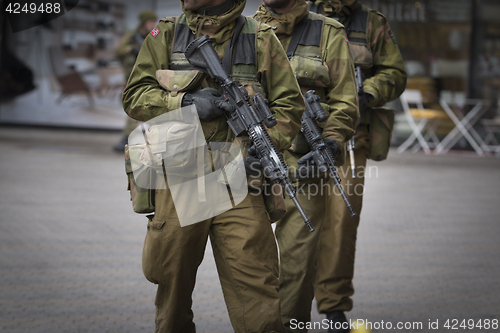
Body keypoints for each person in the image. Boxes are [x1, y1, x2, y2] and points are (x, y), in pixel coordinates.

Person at [122, 0, 306, 332]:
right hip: (178, 176)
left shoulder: (260, 37)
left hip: (239, 179)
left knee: (259, 292)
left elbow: (290, 105)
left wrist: (266, 147)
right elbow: (135, 95)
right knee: (172, 292)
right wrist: (185, 102)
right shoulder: (165, 32)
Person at [253, 1, 358, 331]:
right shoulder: (244, 30)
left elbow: (345, 99)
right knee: (249, 263)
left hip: (304, 163)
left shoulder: (328, 32)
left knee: (297, 263)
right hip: (250, 160)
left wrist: (333, 140)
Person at [307, 0, 407, 331]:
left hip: (351, 141)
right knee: (294, 219)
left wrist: (367, 94)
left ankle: (333, 305)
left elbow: (395, 72)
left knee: (341, 222)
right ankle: (285, 301)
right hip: (299, 138)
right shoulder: (297, 14)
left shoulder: (370, 22)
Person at [113, 10, 157, 152]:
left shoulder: (156, 33)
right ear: (143, 23)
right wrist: (131, 48)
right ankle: (127, 137)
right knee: (134, 106)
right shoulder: (132, 36)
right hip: (133, 77)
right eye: (150, 21)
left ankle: (137, 137)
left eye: (153, 21)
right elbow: (118, 51)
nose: (153, 24)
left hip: (152, 76)